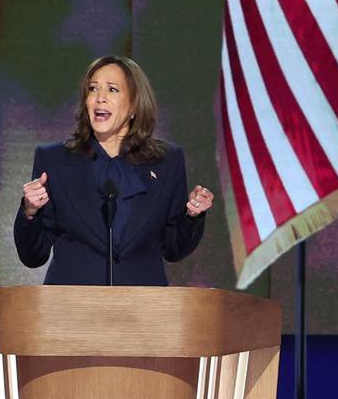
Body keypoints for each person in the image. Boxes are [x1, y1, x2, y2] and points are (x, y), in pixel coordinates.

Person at [13, 54, 214, 286]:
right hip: (72, 310)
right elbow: (33, 256)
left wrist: (192, 216)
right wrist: (30, 212)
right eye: (93, 89)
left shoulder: (167, 161)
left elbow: (174, 249)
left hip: (143, 309)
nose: (100, 98)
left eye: (112, 90)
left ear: (134, 106)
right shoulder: (54, 159)